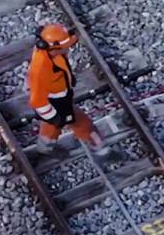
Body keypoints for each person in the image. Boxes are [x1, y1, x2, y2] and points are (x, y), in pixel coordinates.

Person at [27, 23, 110, 159]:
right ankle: (101, 150)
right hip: (56, 102)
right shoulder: (41, 69)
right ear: (54, 48)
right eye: (65, 48)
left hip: (60, 97)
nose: (68, 50)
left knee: (51, 128)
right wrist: (54, 117)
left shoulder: (50, 53)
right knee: (82, 123)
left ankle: (45, 147)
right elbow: (37, 101)